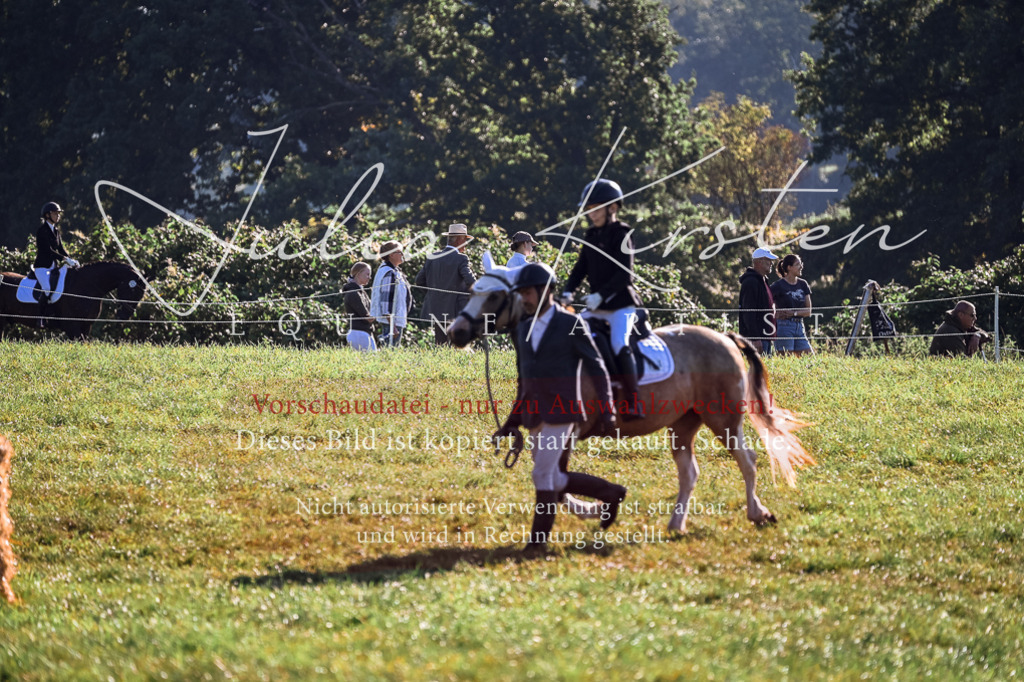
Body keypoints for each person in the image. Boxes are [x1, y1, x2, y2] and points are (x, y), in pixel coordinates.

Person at [493, 262, 624, 553]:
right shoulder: (522, 328)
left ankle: (536, 545)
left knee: (542, 475)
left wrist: (607, 409)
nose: (524, 299)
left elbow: (597, 368)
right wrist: (512, 422)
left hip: (563, 411)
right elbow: (524, 381)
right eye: (521, 294)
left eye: (528, 293)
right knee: (552, 477)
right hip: (534, 414)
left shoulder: (570, 324)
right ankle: (610, 492)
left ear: (546, 291)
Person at [561, 179, 646, 419]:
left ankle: (633, 401)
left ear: (612, 208)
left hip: (621, 306)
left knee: (619, 344)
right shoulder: (591, 235)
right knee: (570, 335)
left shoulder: (622, 234)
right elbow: (580, 269)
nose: (592, 214)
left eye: (596, 208)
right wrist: (568, 292)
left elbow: (625, 274)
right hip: (597, 307)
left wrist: (601, 295)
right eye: (589, 209)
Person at [415, 224, 477, 345]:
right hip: (455, 307)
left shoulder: (433, 256)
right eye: (465, 240)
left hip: (436, 306)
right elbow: (471, 281)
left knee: (440, 342)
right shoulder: (461, 258)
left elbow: (419, 280)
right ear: (459, 240)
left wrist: (434, 294)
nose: (466, 244)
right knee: (456, 343)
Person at [33, 202, 80, 327]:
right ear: (47, 215)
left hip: (53, 266)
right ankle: (40, 318)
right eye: (55, 213)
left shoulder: (56, 231)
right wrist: (64, 259)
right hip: (42, 267)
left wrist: (71, 260)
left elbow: (61, 249)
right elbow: (48, 250)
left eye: (58, 214)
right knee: (47, 288)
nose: (58, 216)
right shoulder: (42, 230)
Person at [369, 241, 412, 347]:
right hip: (391, 322)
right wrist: (393, 326)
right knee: (390, 350)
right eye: (400, 252)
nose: (402, 254)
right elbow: (385, 301)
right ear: (391, 255)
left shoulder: (393, 271)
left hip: (394, 321)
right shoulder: (389, 273)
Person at [770, 254, 814, 356]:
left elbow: (808, 311)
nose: (801, 266)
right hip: (783, 326)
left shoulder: (803, 284)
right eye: (798, 264)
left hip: (799, 326)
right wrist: (774, 314)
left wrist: (793, 313)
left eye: (801, 263)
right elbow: (766, 302)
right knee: (785, 359)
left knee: (809, 358)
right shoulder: (777, 286)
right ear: (789, 267)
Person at [738, 247, 777, 354]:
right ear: (759, 261)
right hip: (757, 338)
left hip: (765, 336)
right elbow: (748, 311)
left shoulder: (763, 280)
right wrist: (755, 337)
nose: (771, 263)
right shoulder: (751, 282)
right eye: (768, 260)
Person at [343, 262, 377, 351]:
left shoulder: (360, 292)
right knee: (371, 358)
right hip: (359, 333)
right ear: (358, 274)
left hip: (363, 332)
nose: (369, 277)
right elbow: (367, 317)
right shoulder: (354, 293)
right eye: (367, 274)